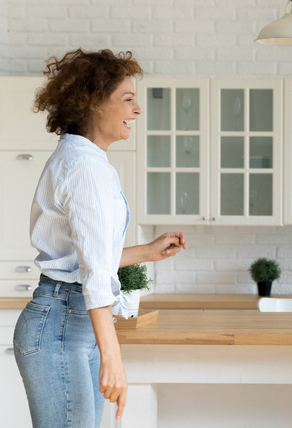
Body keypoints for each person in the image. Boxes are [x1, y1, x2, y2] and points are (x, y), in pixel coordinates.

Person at [13, 49, 187, 427]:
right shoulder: (84, 168)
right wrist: (114, 359)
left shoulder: (86, 161)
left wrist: (148, 252)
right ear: (92, 104)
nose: (138, 110)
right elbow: (92, 276)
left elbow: (86, 257)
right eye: (127, 99)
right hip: (61, 324)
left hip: (70, 323)